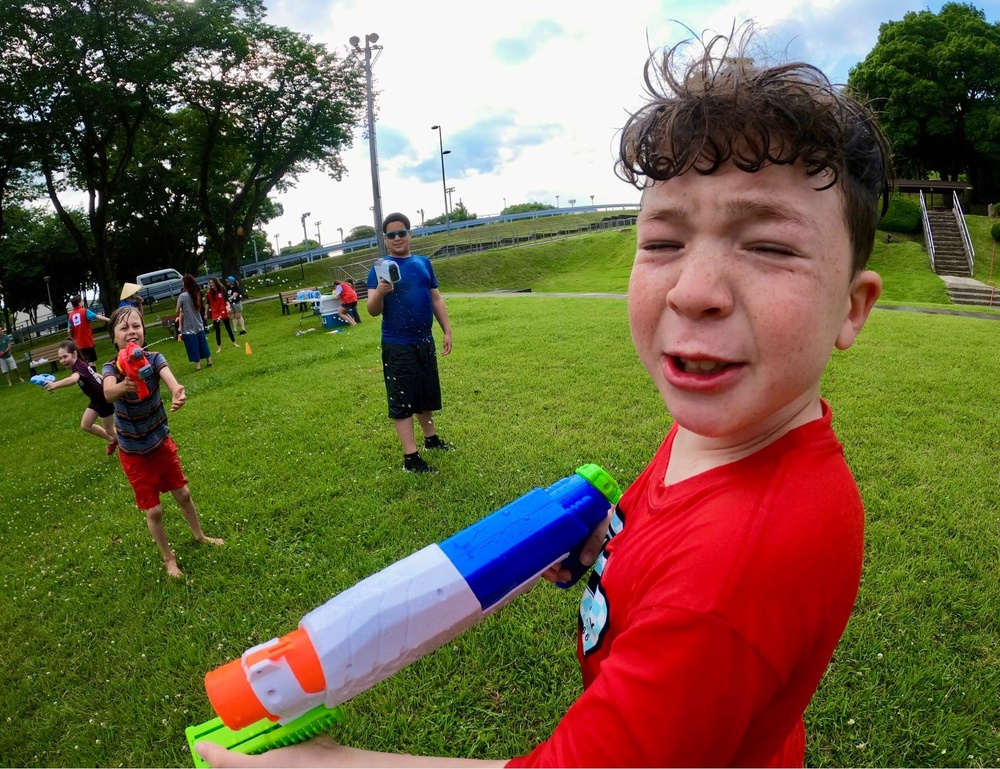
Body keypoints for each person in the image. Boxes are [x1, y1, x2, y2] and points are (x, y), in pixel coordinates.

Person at [196, 27, 889, 768]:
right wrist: (611, 549)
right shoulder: (731, 427)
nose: (694, 291)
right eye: (662, 243)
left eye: (769, 245)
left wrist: (320, 765)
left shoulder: (737, 573)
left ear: (852, 307)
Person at [102, 304, 223, 577]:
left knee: (184, 494)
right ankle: (168, 558)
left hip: (160, 443)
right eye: (124, 328)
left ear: (144, 331)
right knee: (154, 510)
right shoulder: (111, 368)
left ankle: (200, 535)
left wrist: (177, 391)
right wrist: (125, 386)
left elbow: (170, 379)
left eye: (136, 326)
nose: (131, 332)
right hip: (134, 453)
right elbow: (108, 393)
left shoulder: (154, 358)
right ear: (114, 337)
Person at [366, 212, 454, 474]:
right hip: (397, 344)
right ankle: (411, 458)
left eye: (401, 233)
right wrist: (380, 292)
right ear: (385, 239)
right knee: (402, 399)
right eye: (391, 235)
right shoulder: (379, 268)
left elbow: (436, 299)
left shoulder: (423, 263)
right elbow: (372, 310)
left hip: (424, 340)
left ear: (410, 234)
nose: (397, 238)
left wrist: (447, 330)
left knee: (425, 394)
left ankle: (431, 440)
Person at [44, 339, 118, 455]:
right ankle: (112, 440)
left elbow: (73, 380)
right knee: (86, 425)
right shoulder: (80, 364)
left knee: (110, 429)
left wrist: (55, 384)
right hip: (96, 400)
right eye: (60, 358)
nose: (63, 361)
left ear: (74, 354)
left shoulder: (78, 368)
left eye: (65, 356)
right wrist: (104, 379)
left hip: (103, 400)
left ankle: (129, 448)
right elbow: (95, 375)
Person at [176, 274, 213, 371]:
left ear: (185, 283)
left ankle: (198, 366)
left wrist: (181, 310)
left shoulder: (182, 296)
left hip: (188, 326)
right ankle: (209, 361)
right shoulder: (197, 293)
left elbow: (177, 309)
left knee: (193, 346)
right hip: (198, 323)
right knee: (203, 343)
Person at [67, 294, 110, 366]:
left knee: (83, 362)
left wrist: (72, 339)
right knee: (92, 361)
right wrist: (110, 320)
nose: (82, 302)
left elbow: (69, 330)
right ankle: (93, 375)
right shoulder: (84, 311)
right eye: (81, 301)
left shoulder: (71, 316)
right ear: (79, 303)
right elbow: (97, 316)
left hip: (78, 344)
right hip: (87, 341)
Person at [205, 277, 240, 354]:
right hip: (215, 313)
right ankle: (219, 347)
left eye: (212, 282)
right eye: (210, 283)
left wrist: (228, 306)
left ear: (216, 282)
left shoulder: (222, 289)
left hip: (223, 311)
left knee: (228, 328)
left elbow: (226, 299)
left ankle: (234, 342)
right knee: (217, 331)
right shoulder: (209, 293)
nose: (211, 284)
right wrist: (206, 313)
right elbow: (208, 304)